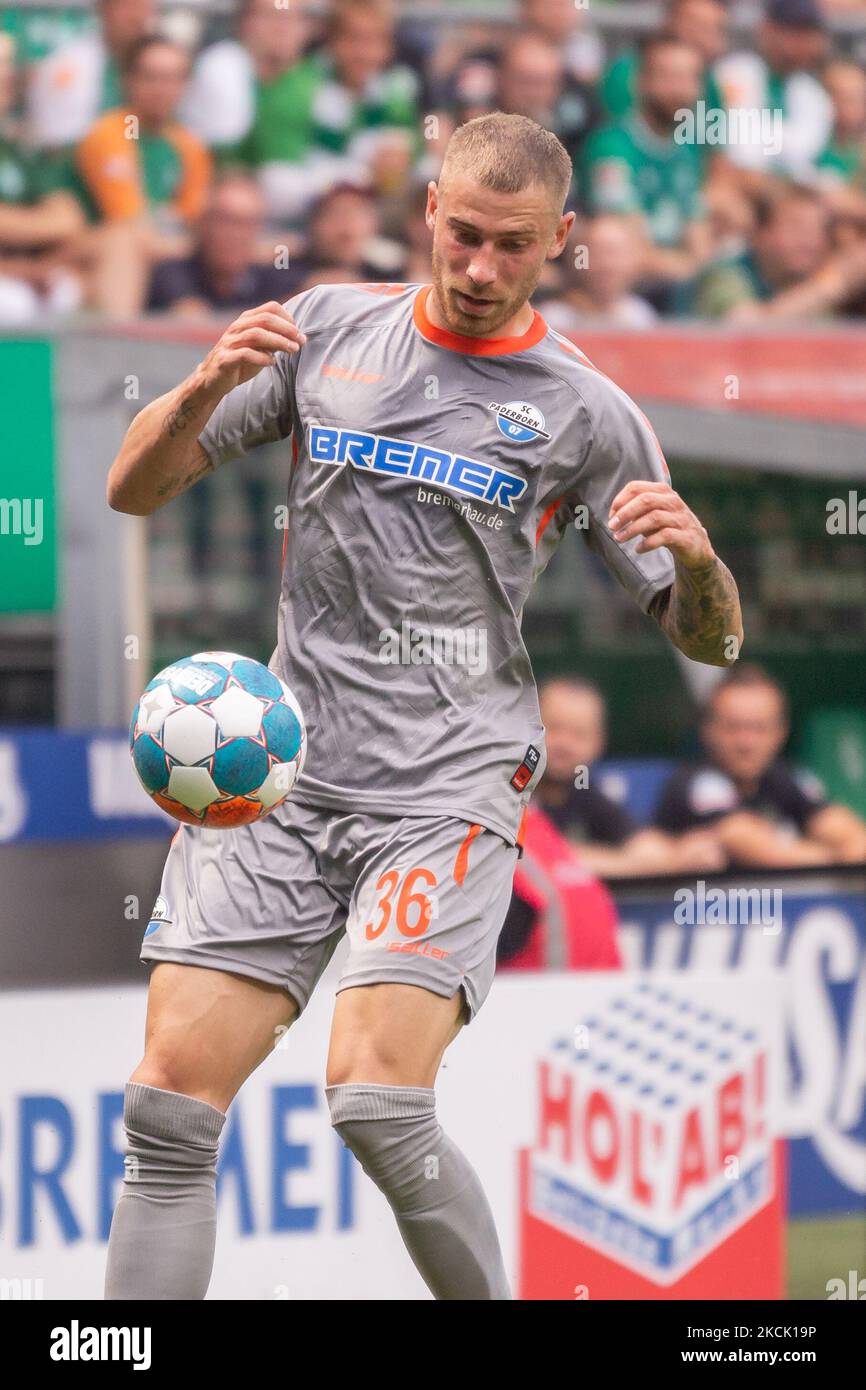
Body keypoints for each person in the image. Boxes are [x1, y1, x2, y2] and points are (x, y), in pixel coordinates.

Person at [104, 110, 742, 1302]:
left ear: (559, 238)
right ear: (428, 214)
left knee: (376, 1101)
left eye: (512, 244)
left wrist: (701, 567)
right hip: (280, 777)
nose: (481, 266)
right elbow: (132, 489)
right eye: (461, 234)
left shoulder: (586, 411)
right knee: (166, 1109)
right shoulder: (329, 328)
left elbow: (707, 639)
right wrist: (202, 385)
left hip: (447, 783)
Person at [655, 663, 866, 866]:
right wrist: (840, 859)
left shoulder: (785, 777)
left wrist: (848, 850)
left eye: (759, 728)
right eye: (733, 728)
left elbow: (845, 830)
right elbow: (745, 841)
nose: (746, 742)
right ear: (708, 730)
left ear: (781, 732)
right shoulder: (695, 781)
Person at [533, 677, 725, 877]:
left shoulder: (583, 790)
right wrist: (652, 863)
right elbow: (535, 859)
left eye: (579, 734)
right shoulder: (508, 789)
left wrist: (680, 854)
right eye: (553, 729)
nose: (564, 745)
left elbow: (642, 844)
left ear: (598, 743)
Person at [580, 32, 713, 301]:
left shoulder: (688, 149)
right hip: (626, 290)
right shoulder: (612, 146)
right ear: (642, 82)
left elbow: (699, 235)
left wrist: (700, 266)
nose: (680, 89)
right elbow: (632, 249)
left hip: (678, 281)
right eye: (669, 77)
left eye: (689, 79)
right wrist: (691, 268)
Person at [689, 180, 866, 318]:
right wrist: (832, 284)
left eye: (820, 229)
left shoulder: (810, 278)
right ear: (759, 233)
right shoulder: (724, 275)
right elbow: (744, 330)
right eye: (796, 227)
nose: (810, 239)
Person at [147, 172, 301, 317]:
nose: (234, 235)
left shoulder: (270, 278)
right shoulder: (172, 274)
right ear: (204, 222)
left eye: (245, 224)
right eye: (224, 220)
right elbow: (191, 318)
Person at [26, 0, 155, 150]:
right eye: (128, 7)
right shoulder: (65, 67)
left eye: (144, 7)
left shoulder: (163, 69)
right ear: (105, 9)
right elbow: (54, 139)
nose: (137, 17)